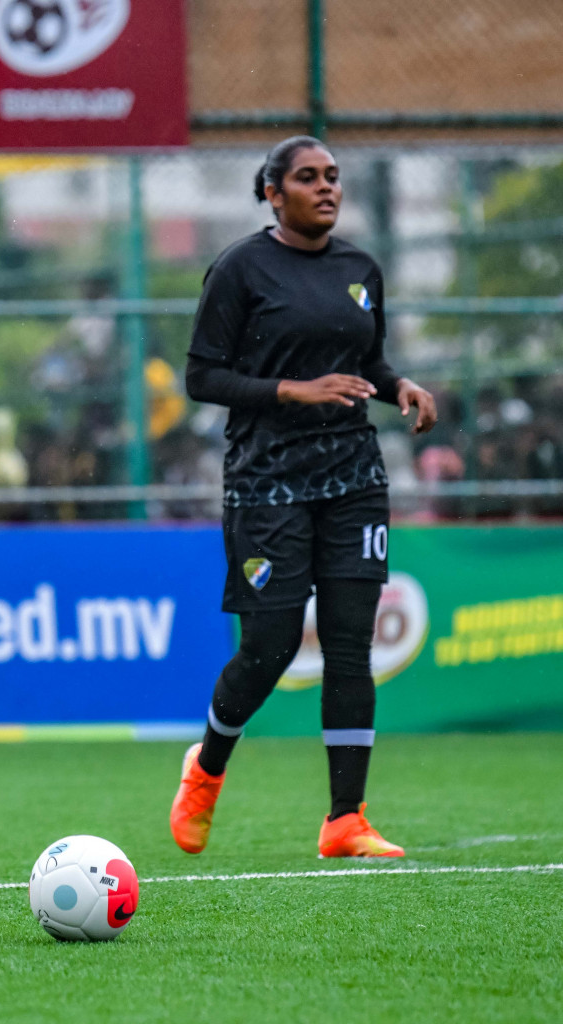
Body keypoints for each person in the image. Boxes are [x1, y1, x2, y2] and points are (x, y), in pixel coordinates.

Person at [170, 137, 437, 859]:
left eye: (334, 177)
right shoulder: (239, 269)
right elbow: (201, 377)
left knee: (352, 644)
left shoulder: (360, 269)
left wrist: (399, 386)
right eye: (308, 178)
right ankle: (206, 770)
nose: (327, 188)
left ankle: (345, 819)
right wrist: (294, 389)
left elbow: (368, 362)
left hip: (354, 477)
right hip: (266, 482)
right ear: (272, 192)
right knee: (272, 646)